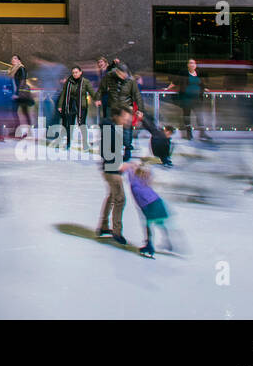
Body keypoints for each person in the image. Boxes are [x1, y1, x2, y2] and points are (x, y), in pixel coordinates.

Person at [122, 161, 173, 258]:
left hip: (149, 204)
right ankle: (165, 242)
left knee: (150, 224)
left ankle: (150, 245)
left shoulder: (135, 178)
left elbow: (126, 168)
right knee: (158, 223)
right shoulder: (142, 178)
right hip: (154, 201)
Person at [96, 107, 132, 244]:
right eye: (124, 118)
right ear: (116, 117)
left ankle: (103, 226)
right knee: (120, 199)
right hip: (111, 170)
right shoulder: (109, 130)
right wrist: (118, 164)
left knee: (112, 197)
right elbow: (105, 153)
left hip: (111, 168)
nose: (127, 121)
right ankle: (117, 232)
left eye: (128, 119)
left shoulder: (116, 129)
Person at [56, 65, 93, 149]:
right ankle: (68, 143)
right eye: (73, 73)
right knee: (70, 125)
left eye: (76, 72)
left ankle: (85, 143)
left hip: (81, 106)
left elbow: (91, 91)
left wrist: (97, 99)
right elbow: (63, 93)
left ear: (80, 72)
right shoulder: (68, 82)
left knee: (82, 125)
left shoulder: (85, 82)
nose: (75, 74)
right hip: (71, 105)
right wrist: (60, 105)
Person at [176, 58, 212, 141]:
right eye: (190, 63)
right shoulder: (184, 74)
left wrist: (204, 88)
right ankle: (189, 134)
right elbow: (176, 82)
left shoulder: (198, 73)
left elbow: (201, 83)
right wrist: (168, 88)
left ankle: (202, 133)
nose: (192, 65)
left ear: (195, 65)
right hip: (187, 99)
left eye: (194, 63)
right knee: (187, 116)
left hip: (197, 99)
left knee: (199, 116)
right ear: (188, 65)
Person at [10, 53, 32, 135]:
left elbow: (22, 81)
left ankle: (28, 131)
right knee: (15, 111)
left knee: (23, 112)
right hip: (16, 93)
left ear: (19, 61)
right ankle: (17, 131)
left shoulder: (21, 68)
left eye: (15, 58)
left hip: (21, 94)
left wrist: (17, 93)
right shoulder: (12, 69)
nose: (13, 60)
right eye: (12, 58)